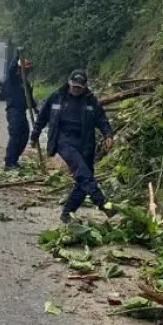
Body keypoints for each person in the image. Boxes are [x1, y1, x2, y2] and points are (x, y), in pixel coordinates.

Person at [31, 69, 116, 223]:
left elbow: (102, 120)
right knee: (81, 171)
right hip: (64, 141)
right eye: (74, 86)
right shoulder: (57, 97)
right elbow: (42, 117)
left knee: (84, 179)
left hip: (85, 143)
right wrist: (35, 134)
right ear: (69, 83)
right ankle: (102, 202)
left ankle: (67, 213)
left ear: (84, 87)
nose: (76, 90)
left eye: (79, 88)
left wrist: (108, 135)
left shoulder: (91, 101)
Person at [2, 48, 35, 170]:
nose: (27, 72)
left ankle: (14, 160)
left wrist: (36, 109)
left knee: (24, 136)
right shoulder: (13, 79)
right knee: (15, 136)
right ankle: (9, 162)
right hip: (14, 112)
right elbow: (11, 69)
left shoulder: (25, 83)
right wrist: (17, 55)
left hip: (22, 112)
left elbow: (30, 99)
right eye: (25, 70)